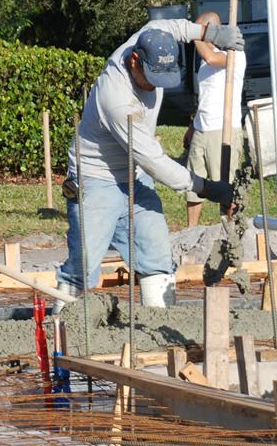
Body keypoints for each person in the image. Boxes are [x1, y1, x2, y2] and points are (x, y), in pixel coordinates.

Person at [58, 17, 244, 307]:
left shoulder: (151, 36)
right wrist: (206, 188)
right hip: (96, 179)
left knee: (156, 256)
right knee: (83, 269)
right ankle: (63, 329)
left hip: (135, 176)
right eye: (151, 77)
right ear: (135, 60)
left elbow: (177, 27)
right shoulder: (116, 98)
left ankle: (158, 325)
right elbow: (153, 161)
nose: (155, 86)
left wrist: (213, 33)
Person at [183, 10, 248, 228]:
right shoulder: (203, 62)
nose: (200, 34)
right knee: (193, 184)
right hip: (202, 128)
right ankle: (191, 232)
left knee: (226, 185)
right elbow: (207, 95)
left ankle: (232, 230)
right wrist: (193, 126)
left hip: (223, 129)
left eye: (203, 29)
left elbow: (211, 57)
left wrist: (193, 35)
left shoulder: (234, 54)